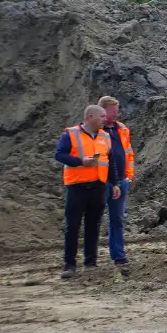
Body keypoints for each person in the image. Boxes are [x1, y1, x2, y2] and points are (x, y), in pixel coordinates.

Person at [54, 105, 120, 278]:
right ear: (90, 117)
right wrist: (80, 161)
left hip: (98, 186)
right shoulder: (71, 134)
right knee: (73, 226)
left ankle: (90, 262)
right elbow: (59, 155)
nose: (105, 119)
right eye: (102, 116)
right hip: (76, 187)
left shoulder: (105, 136)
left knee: (93, 226)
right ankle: (69, 265)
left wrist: (114, 183)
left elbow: (110, 161)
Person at [98, 96, 134, 276]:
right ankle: (91, 258)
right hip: (100, 181)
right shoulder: (96, 131)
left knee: (117, 219)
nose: (116, 114)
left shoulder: (122, 129)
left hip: (121, 180)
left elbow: (128, 153)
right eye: (113, 111)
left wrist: (129, 177)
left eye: (116, 110)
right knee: (94, 219)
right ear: (103, 111)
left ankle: (118, 255)